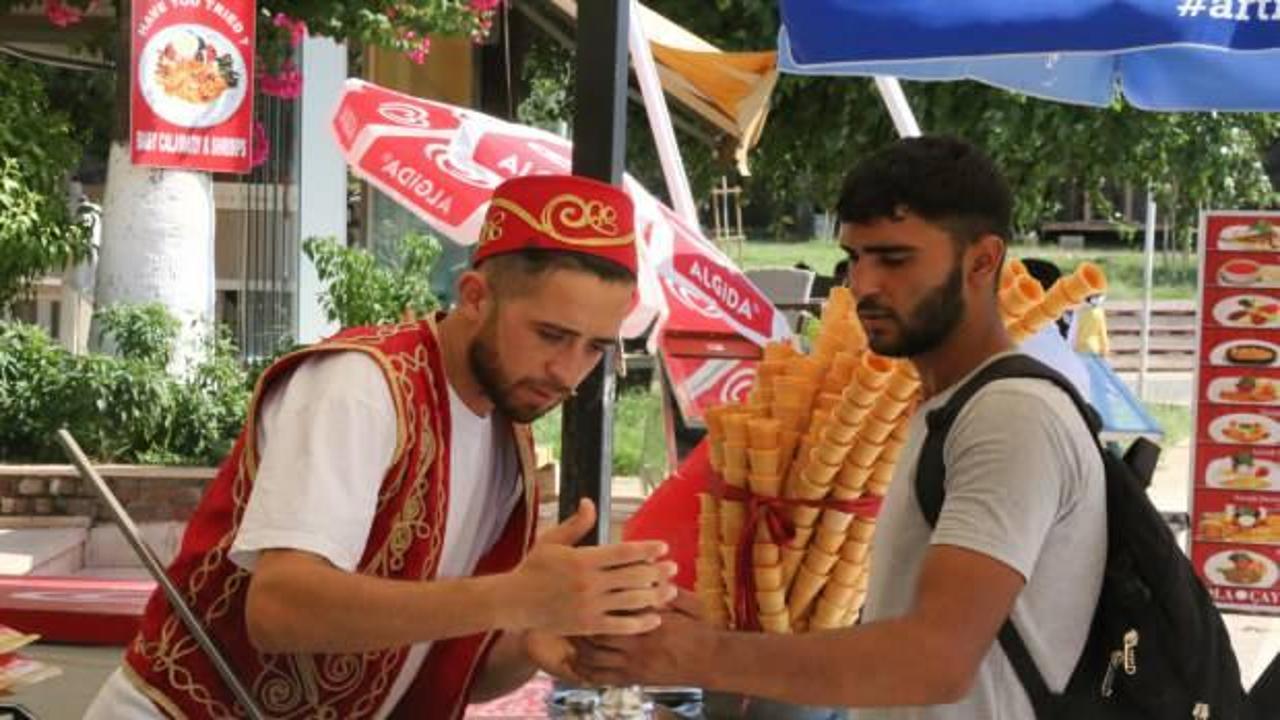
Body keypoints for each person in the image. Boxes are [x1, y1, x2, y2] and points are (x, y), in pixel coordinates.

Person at [84, 175, 677, 719]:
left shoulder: (507, 435)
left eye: (596, 348)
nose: (568, 372)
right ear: (474, 296)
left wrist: (531, 640)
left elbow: (440, 668)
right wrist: (508, 598)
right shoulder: (361, 386)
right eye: (551, 335)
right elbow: (281, 610)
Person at [571, 137, 1107, 720]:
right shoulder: (940, 410)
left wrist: (701, 655)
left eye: (895, 259)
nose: (863, 286)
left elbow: (937, 659)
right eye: (854, 259)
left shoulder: (1011, 419)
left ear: (982, 261)